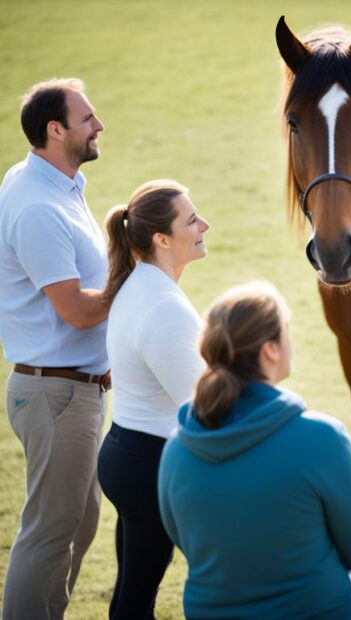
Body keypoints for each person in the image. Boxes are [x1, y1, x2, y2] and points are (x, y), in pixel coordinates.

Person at [157, 281, 351, 619]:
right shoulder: (322, 437)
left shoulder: (177, 448)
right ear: (270, 351)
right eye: (286, 333)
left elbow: (187, 542)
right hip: (316, 611)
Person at [0, 78, 109, 619]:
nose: (99, 126)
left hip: (71, 389)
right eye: (88, 118)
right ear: (55, 130)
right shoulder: (38, 206)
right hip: (56, 393)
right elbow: (77, 309)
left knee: (79, 520)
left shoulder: (54, 182)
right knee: (49, 531)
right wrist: (135, 276)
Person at [96, 180, 209, 618]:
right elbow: (202, 406)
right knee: (136, 597)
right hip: (149, 468)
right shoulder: (162, 306)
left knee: (132, 592)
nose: (205, 225)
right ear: (162, 239)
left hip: (130, 456)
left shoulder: (140, 284)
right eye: (192, 220)